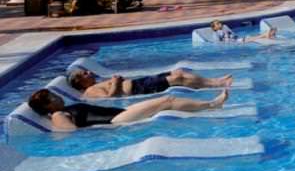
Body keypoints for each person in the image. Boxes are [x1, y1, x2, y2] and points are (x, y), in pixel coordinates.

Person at [25, 87, 229, 131]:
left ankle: (210, 105)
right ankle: (212, 104)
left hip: (120, 113)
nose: (57, 96)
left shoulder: (65, 108)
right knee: (167, 101)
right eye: (52, 97)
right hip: (116, 120)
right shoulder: (59, 114)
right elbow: (70, 131)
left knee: (168, 101)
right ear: (47, 106)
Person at [68, 66, 233, 99]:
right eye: (85, 73)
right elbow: (111, 97)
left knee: (178, 72)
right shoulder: (89, 92)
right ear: (80, 82)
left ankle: (215, 80)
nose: (89, 72)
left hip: (141, 82)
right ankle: (217, 85)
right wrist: (116, 82)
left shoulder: (94, 85)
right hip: (140, 89)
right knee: (178, 79)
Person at [207, 19, 276, 44]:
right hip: (233, 43)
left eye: (220, 22)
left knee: (249, 37)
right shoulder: (215, 33)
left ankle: (266, 35)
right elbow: (218, 43)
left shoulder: (225, 27)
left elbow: (233, 34)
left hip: (236, 39)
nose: (220, 23)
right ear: (214, 27)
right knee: (249, 39)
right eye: (218, 23)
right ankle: (265, 35)